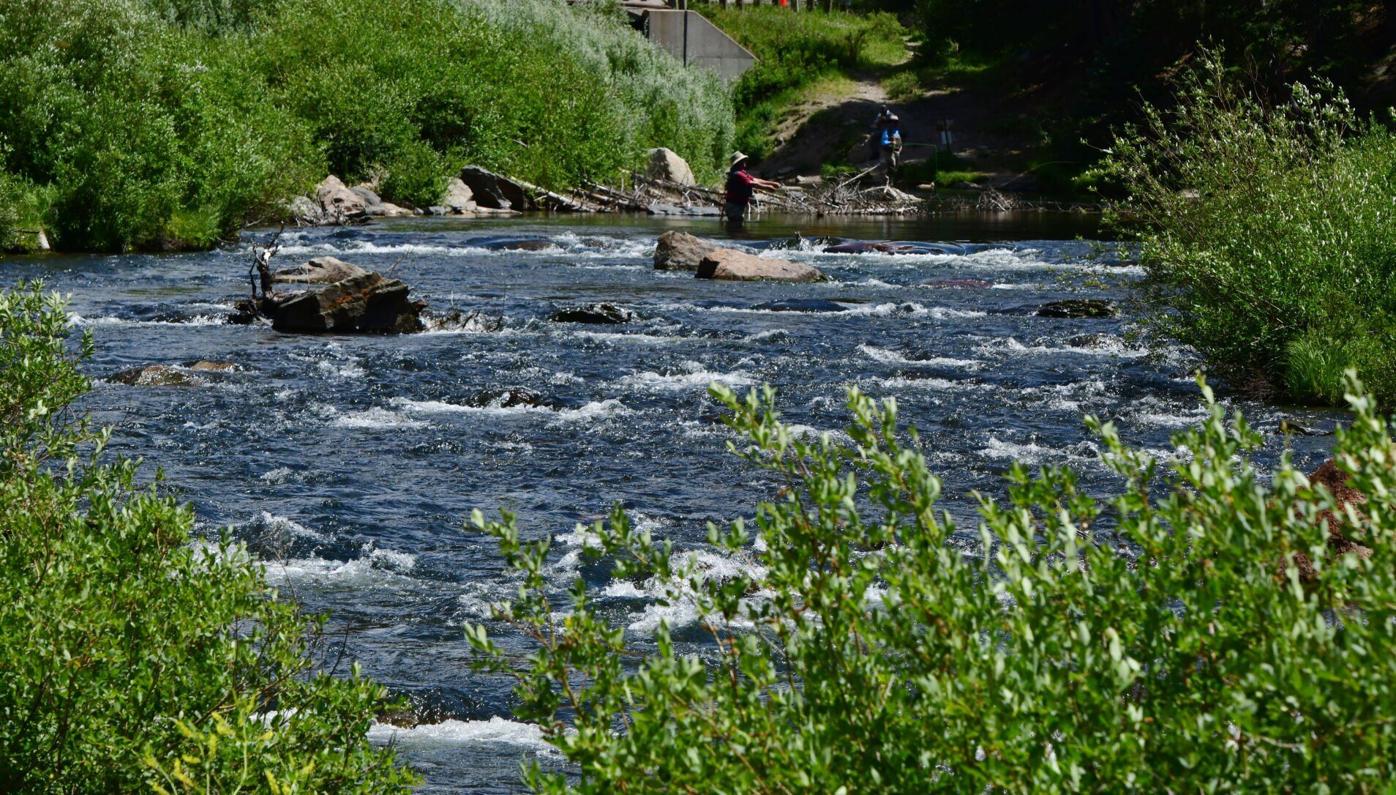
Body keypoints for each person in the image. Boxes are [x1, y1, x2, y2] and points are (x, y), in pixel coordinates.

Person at [724, 151, 780, 226]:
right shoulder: (738, 174)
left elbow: (755, 180)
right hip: (734, 206)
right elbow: (752, 183)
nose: (745, 162)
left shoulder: (742, 172)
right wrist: (768, 187)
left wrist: (772, 183)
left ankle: (733, 236)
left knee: (736, 226)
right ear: (738, 163)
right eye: (743, 161)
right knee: (736, 226)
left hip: (737, 205)